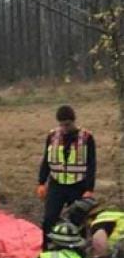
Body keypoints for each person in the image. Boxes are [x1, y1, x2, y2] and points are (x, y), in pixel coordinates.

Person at [37, 105, 96, 245]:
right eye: (61, 125)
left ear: (73, 121)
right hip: (56, 184)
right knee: (49, 219)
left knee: (77, 221)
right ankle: (46, 249)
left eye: (67, 124)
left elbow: (91, 164)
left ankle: (78, 251)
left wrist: (89, 189)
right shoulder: (52, 136)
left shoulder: (87, 137)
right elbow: (46, 159)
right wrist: (41, 182)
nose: (64, 128)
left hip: (78, 185)